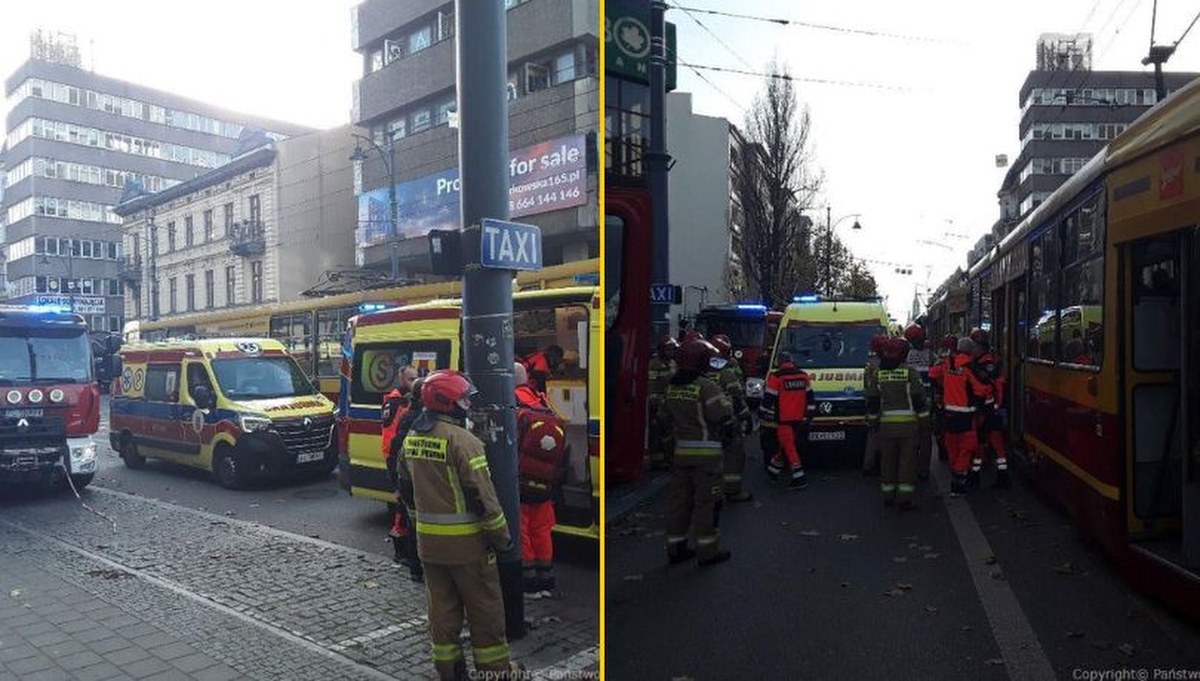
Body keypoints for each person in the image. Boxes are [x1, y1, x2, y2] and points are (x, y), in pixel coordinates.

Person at [402, 370, 519, 680]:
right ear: (448, 403)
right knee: (485, 613)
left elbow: (404, 487)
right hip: (469, 547)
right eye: (464, 399)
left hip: (429, 546)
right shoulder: (464, 442)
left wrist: (418, 524)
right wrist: (503, 538)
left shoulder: (413, 437)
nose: (467, 404)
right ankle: (495, 672)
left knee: (441, 614)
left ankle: (450, 672)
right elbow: (485, 499)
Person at [661, 337, 735, 566]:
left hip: (681, 454)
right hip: (707, 458)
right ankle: (707, 551)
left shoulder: (673, 386)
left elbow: (663, 417)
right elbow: (719, 414)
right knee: (706, 504)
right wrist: (729, 404)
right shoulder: (706, 386)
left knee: (680, 503)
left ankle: (676, 547)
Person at [513, 363, 567, 596]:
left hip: (522, 478)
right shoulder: (541, 399)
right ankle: (546, 578)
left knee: (522, 529)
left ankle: (529, 581)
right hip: (546, 478)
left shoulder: (512, 401)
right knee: (542, 529)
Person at [866, 337, 929, 510]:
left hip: (886, 427)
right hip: (909, 427)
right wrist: (925, 422)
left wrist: (873, 423)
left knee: (887, 462)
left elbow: (872, 402)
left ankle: (888, 496)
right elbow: (919, 401)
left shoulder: (878, 373)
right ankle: (905, 499)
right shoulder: (910, 373)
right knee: (906, 463)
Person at [930, 338, 990, 495]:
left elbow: (932, 373)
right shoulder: (970, 367)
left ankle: (956, 473)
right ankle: (958, 479)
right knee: (967, 447)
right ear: (970, 351)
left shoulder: (947, 363)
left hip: (949, 414)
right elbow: (981, 390)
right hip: (966, 415)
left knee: (952, 446)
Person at [380, 365, 419, 571]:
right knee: (402, 505)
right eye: (411, 379)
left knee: (402, 506)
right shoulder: (395, 403)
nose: (414, 382)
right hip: (395, 459)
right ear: (402, 379)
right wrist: (394, 466)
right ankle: (400, 551)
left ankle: (402, 549)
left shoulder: (404, 402)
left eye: (416, 379)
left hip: (400, 458)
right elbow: (390, 438)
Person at [762, 351, 814, 490]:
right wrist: (809, 416)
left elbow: (768, 399)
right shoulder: (803, 376)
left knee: (789, 447)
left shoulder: (777, 377)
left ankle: (799, 477)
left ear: (779, 362)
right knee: (787, 445)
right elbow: (810, 398)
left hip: (784, 419)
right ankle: (773, 470)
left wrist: (762, 414)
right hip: (799, 419)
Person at [710, 334, 753, 502]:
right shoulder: (725, 373)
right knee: (734, 455)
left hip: (708, 423)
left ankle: (713, 489)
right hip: (728, 422)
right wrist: (746, 417)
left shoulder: (700, 372)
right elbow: (737, 398)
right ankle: (732, 491)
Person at [968, 329, 1010, 489]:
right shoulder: (985, 361)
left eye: (974, 346)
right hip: (992, 408)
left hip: (987, 409)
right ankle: (1002, 474)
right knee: (995, 442)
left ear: (979, 347)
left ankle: (976, 475)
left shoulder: (986, 363)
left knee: (981, 442)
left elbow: (983, 387)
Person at [903, 323, 934, 482]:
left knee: (912, 439)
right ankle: (923, 470)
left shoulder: (905, 356)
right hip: (926, 404)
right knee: (925, 439)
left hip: (909, 404)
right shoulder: (930, 355)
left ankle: (911, 467)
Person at [647, 335, 678, 470]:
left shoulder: (673, 363)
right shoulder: (654, 365)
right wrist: (655, 404)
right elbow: (652, 385)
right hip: (659, 404)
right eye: (668, 350)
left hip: (670, 403)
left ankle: (668, 458)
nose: (671, 352)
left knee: (669, 432)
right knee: (658, 433)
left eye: (673, 350)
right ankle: (658, 461)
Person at [862, 334, 888, 476]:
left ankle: (869, 464)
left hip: (872, 403)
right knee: (883, 436)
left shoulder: (869, 364)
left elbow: (866, 386)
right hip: (883, 403)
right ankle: (882, 463)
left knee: (872, 435)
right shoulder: (885, 364)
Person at [929, 334, 958, 463]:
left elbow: (933, 374)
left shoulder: (941, 358)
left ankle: (944, 451)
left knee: (942, 425)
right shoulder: (962, 358)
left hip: (943, 396)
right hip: (955, 397)